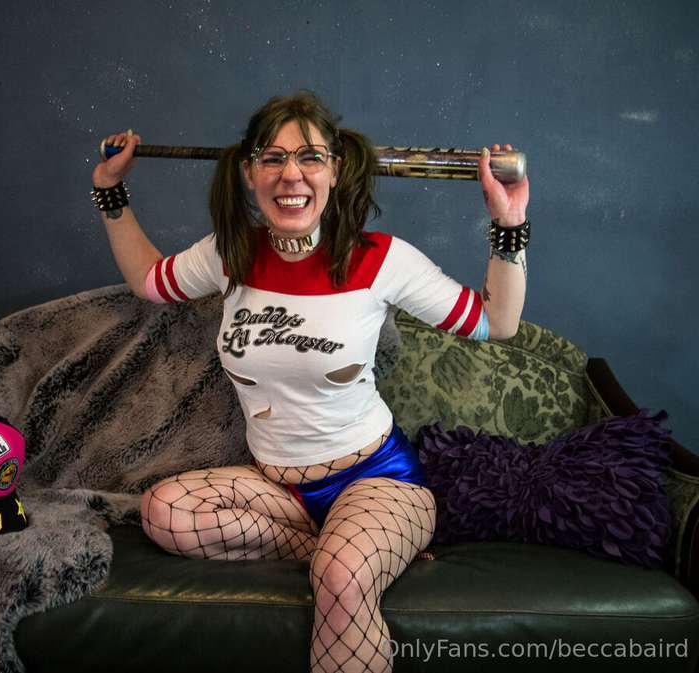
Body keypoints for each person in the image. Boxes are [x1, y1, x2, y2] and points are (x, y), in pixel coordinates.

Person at [91, 90, 529, 673]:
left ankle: (350, 555)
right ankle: (339, 548)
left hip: (376, 480)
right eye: (272, 158)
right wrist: (110, 192)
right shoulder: (230, 253)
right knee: (164, 510)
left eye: (310, 158)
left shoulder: (382, 259)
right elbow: (149, 280)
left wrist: (508, 222)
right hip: (278, 492)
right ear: (249, 173)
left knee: (342, 578)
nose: (290, 175)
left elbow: (496, 322)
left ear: (335, 170)